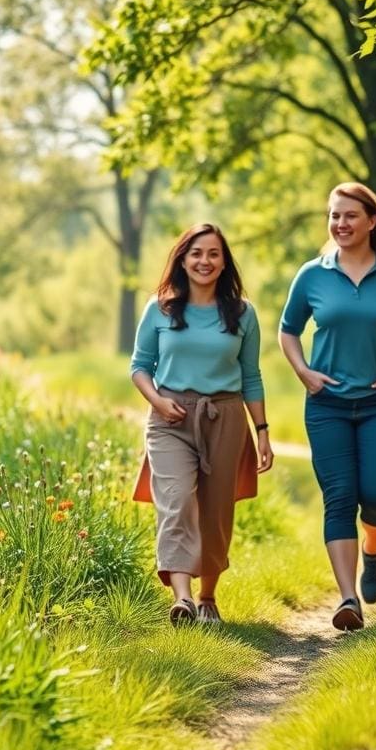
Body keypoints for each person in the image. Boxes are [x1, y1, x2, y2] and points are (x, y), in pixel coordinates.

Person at [278, 182, 376, 631]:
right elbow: (288, 330)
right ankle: (348, 600)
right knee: (340, 498)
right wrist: (303, 371)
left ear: (371, 221)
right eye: (334, 215)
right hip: (325, 404)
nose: (340, 224)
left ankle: (374, 548)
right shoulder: (313, 274)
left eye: (349, 215)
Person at [130, 223, 274, 625]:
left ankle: (208, 597)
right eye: (196, 253)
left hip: (225, 417)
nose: (204, 261)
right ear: (182, 258)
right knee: (174, 503)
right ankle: (183, 599)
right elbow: (140, 367)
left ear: (224, 261)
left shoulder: (243, 313)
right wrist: (158, 401)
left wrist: (261, 432)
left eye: (213, 253)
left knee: (215, 511)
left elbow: (251, 376)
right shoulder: (159, 308)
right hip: (169, 418)